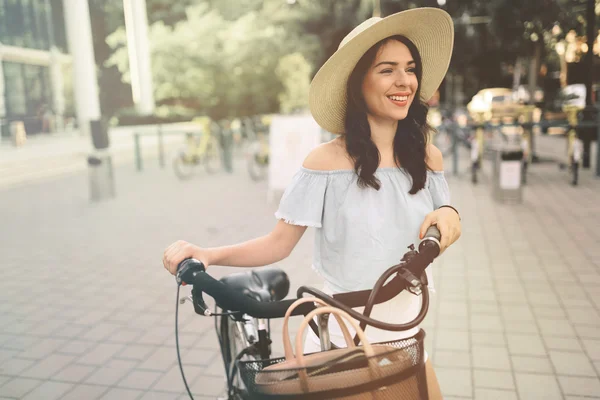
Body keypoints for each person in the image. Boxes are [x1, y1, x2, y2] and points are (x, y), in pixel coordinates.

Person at [164, 7, 460, 398]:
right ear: (359, 84)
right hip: (342, 339)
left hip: (407, 335)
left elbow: (444, 220)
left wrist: (448, 215)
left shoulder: (427, 158)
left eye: (409, 68)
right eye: (387, 69)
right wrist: (205, 254)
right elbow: (278, 243)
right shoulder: (325, 163)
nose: (403, 80)